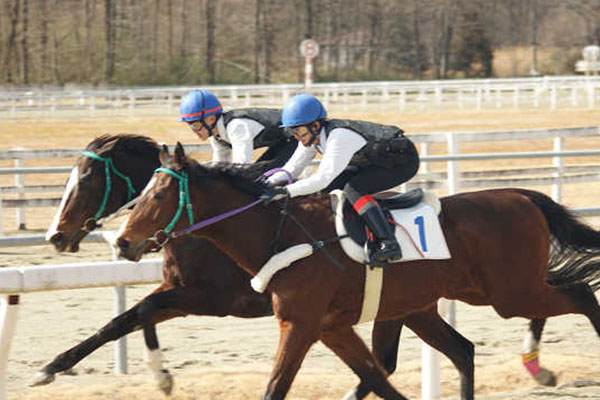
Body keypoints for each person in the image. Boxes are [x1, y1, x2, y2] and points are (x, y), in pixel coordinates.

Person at [265, 93, 420, 264]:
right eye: (292, 131)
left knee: (354, 189)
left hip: (401, 162)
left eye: (299, 131)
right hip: (373, 161)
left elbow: (322, 178)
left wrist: (286, 191)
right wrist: (267, 183)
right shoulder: (312, 137)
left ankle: (388, 242)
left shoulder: (339, 137)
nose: (296, 137)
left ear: (315, 125)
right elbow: (292, 168)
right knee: (328, 189)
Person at [179, 89, 297, 165]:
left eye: (195, 125)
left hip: (297, 135)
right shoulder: (216, 136)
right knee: (260, 174)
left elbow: (242, 165)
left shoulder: (236, 127)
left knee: (263, 177)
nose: (194, 131)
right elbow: (220, 165)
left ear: (211, 119)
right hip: (282, 141)